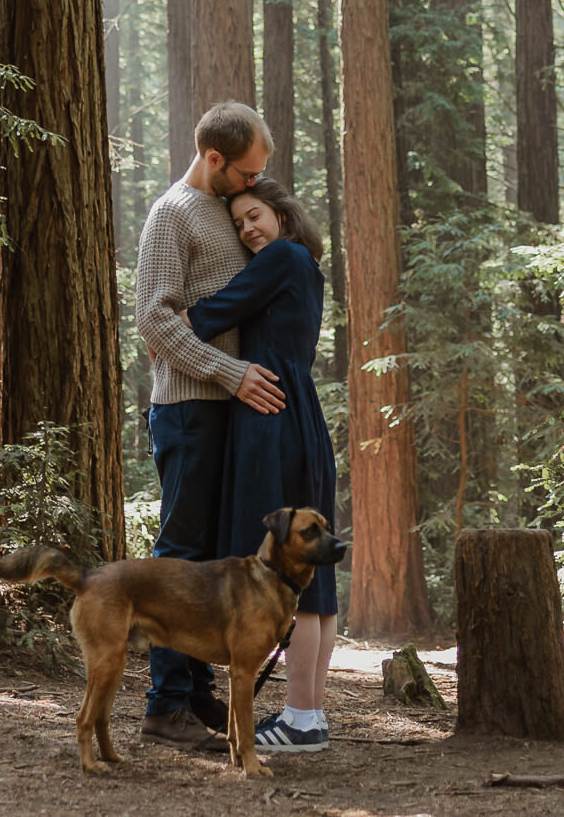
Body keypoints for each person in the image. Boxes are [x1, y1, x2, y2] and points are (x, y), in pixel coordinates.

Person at [132, 102, 286, 752]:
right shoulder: (172, 213)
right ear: (215, 160)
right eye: (247, 171)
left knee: (211, 560)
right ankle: (163, 704)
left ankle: (194, 696)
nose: (253, 184)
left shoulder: (226, 209)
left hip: (226, 409)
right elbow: (156, 319)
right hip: (190, 408)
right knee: (179, 557)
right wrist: (229, 372)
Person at [186, 176, 340, 754]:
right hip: (303, 417)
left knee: (278, 572)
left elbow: (214, 313)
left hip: (272, 419)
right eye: (239, 223)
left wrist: (181, 316)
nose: (248, 228)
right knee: (312, 573)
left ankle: (301, 718)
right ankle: (309, 716)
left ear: (281, 214)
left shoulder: (281, 256)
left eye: (255, 215)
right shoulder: (305, 264)